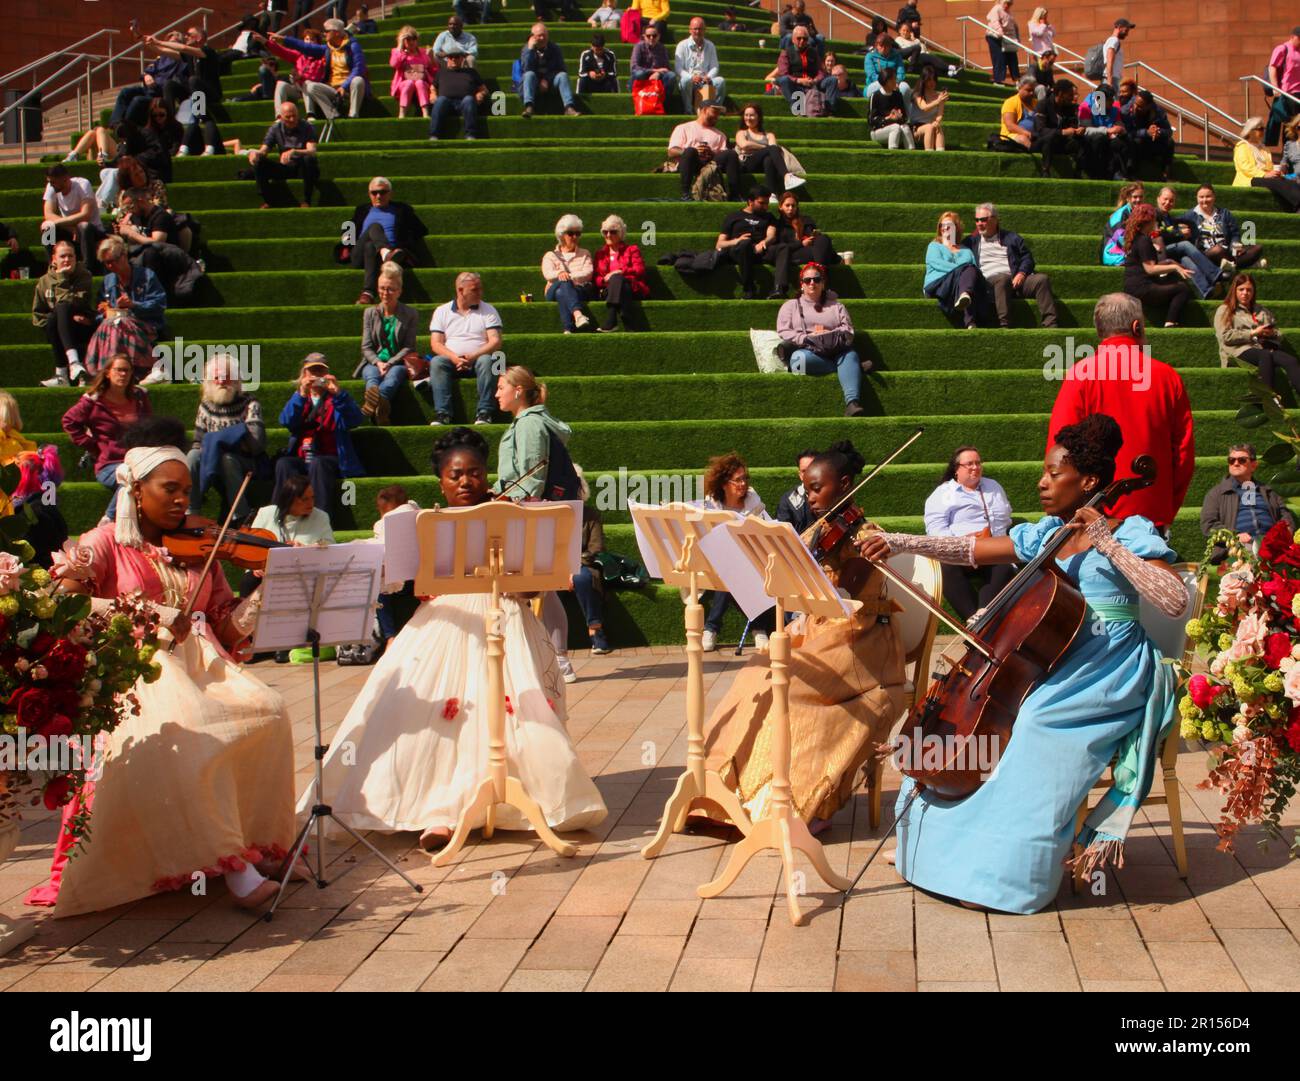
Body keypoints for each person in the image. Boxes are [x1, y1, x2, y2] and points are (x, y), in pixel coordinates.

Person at [857, 412, 1187, 913]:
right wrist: (900, 542)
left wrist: (1107, 542)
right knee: (977, 722)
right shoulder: (1050, 534)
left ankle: (1001, 875)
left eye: (1054, 473)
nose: (1042, 482)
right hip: (1057, 664)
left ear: (1090, 482)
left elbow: (1173, 600)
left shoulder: (1130, 530)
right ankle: (943, 854)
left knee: (1031, 725)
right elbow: (970, 549)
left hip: (1112, 669)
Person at [300, 426, 607, 851]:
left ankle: (507, 801)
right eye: (455, 475)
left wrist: (519, 578)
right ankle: (437, 811)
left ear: (487, 475)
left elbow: (535, 587)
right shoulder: (424, 522)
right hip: (443, 624)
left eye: (475, 474)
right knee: (432, 717)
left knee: (509, 710)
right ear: (441, 482)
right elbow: (393, 577)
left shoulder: (510, 515)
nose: (466, 483)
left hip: (505, 622)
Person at [26, 440, 297, 917]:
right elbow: (64, 605)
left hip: (204, 664)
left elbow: (226, 625)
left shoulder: (200, 548)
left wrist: (263, 589)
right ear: (136, 491)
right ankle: (235, 867)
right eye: (169, 489)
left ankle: (258, 841)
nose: (181, 501)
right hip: (135, 670)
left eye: (187, 491)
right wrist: (151, 613)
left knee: (269, 711)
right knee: (192, 722)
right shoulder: (103, 542)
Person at [704, 440, 906, 830]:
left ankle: (801, 805)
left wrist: (833, 553)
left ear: (845, 485)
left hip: (861, 639)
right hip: (820, 630)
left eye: (817, 489)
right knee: (757, 675)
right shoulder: (821, 528)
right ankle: (732, 796)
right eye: (807, 489)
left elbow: (844, 594)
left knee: (794, 687)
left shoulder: (866, 535)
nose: (809, 497)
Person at [1047, 294, 1195, 532]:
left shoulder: (1080, 374)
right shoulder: (1168, 377)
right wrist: (1166, 509)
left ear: (1099, 330)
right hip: (1151, 514)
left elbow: (1058, 451)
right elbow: (1183, 456)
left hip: (1092, 517)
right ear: (1137, 327)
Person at [923, 445, 1014, 621]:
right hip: (960, 550)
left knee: (1004, 565)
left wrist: (993, 539)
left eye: (978, 463)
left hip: (990, 547)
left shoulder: (993, 486)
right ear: (957, 469)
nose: (975, 467)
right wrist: (963, 542)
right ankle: (973, 620)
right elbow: (935, 529)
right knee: (945, 568)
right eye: (969, 464)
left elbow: (1006, 517)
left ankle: (981, 613)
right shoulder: (943, 494)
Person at [697, 452, 774, 651]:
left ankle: (711, 628)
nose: (743, 484)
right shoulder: (712, 503)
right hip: (718, 558)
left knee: (737, 571)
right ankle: (758, 629)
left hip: (751, 556)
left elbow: (764, 528)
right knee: (729, 571)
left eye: (745, 479)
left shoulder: (753, 499)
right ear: (724, 483)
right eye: (738, 480)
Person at [276, 354, 366, 521]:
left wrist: (338, 393)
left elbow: (356, 419)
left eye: (320, 371)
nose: (316, 376)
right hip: (303, 457)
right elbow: (286, 421)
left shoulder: (337, 399)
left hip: (330, 458)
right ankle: (283, 516)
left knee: (318, 463)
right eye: (312, 371)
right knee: (284, 463)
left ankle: (319, 520)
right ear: (304, 375)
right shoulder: (301, 398)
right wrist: (301, 393)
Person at [776, 262, 866, 417]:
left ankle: (852, 403)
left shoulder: (837, 306)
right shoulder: (790, 306)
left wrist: (827, 334)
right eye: (807, 280)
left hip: (836, 348)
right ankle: (851, 368)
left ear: (823, 283)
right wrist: (806, 337)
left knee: (849, 355)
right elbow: (783, 331)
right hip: (808, 350)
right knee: (797, 362)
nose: (812, 283)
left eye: (817, 279)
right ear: (802, 284)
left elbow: (848, 330)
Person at [61, 354, 152, 508]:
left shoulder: (140, 397)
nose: (123, 374)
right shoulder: (93, 400)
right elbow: (69, 421)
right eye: (119, 370)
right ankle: (108, 518)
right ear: (108, 372)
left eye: (127, 371)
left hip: (137, 461)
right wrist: (92, 445)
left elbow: (151, 426)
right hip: (109, 463)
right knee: (130, 479)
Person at [187, 352, 266, 521]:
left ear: (236, 379)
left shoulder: (250, 403)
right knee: (193, 456)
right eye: (217, 377)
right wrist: (211, 449)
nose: (222, 381)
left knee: (227, 459)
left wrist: (221, 443)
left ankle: (240, 515)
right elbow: (198, 441)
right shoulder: (205, 406)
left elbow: (256, 444)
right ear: (209, 381)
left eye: (226, 376)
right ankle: (192, 510)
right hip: (211, 459)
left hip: (246, 462)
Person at [962, 203, 1058, 328]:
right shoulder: (971, 242)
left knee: (1041, 280)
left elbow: (1027, 258)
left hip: (1015, 281)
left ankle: (1051, 324)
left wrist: (1022, 273)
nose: (979, 223)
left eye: (983, 220)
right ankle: (1005, 325)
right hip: (990, 285)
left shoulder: (1011, 238)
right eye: (977, 220)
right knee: (1003, 278)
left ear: (995, 219)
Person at [85, 235, 167, 380]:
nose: (110, 266)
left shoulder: (147, 276)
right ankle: (110, 372)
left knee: (119, 323)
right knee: (110, 323)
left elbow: (160, 304)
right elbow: (99, 313)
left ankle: (114, 372)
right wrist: (103, 313)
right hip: (115, 327)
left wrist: (134, 305)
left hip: (145, 324)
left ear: (123, 256)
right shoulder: (108, 281)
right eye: (106, 263)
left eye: (112, 261)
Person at [429, 272, 503, 425]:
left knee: (489, 360)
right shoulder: (442, 311)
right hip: (451, 360)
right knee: (437, 362)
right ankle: (442, 413)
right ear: (460, 290)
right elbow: (436, 344)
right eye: (475, 290)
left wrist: (472, 356)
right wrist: (454, 357)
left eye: (480, 289)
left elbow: (495, 341)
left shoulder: (488, 310)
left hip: (479, 359)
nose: (480, 293)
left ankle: (485, 412)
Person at [1201, 443, 1295, 562]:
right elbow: (1208, 525)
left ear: (1254, 465)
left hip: (1271, 543)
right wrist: (1235, 536)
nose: (1236, 463)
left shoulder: (1269, 491)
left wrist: (1281, 536)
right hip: (1239, 547)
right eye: (1231, 460)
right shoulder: (1217, 493)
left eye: (1242, 460)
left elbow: (1285, 517)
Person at [345, 176, 429, 305]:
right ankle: (385, 253)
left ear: (390, 193)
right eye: (374, 193)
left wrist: (404, 247)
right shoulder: (362, 210)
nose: (378, 196)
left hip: (388, 254)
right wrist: (346, 244)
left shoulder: (402, 209)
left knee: (370, 246)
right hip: (359, 256)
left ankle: (368, 293)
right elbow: (347, 227)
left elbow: (420, 230)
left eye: (383, 192)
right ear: (369, 194)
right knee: (374, 227)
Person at [1214, 273, 1300, 396]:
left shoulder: (1262, 311)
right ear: (1234, 290)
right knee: (1265, 355)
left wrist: (1271, 333)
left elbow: (1279, 333)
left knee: (1290, 360)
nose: (1245, 293)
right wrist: (1253, 333)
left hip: (1263, 347)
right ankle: (1266, 399)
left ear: (1253, 292)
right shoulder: (1225, 310)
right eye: (1241, 289)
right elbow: (1225, 336)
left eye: (1249, 290)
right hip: (1238, 350)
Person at [114, 187, 205, 301]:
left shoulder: (160, 216)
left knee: (150, 253)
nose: (130, 210)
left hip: (167, 259)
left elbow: (157, 242)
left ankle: (154, 297)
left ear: (141, 200)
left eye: (131, 206)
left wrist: (131, 233)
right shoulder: (135, 217)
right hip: (145, 258)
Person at [357, 262, 419, 425]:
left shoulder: (410, 314)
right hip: (373, 361)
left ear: (399, 291)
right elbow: (366, 346)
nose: (385, 293)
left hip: (397, 362)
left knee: (393, 377)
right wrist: (378, 363)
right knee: (371, 376)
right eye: (382, 288)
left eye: (390, 289)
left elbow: (409, 347)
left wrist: (389, 363)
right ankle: (380, 407)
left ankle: (377, 402)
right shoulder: (370, 313)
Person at [276, 18, 370, 119]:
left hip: (349, 87)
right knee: (311, 87)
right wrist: (284, 40)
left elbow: (359, 68)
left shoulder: (353, 46)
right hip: (333, 88)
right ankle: (333, 115)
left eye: (326, 31)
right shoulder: (327, 49)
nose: (324, 34)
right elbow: (306, 47)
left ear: (336, 33)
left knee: (358, 80)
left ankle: (353, 115)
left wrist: (344, 86)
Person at [33, 240, 95, 387]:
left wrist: (62, 280)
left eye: (70, 256)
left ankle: (63, 372)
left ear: (75, 258)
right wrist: (52, 325)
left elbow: (76, 302)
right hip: (55, 329)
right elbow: (38, 314)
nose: (67, 260)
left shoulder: (84, 275)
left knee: (61, 308)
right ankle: (71, 366)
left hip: (81, 325)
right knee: (54, 317)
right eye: (62, 256)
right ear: (54, 259)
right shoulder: (44, 281)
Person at [1122, 203, 1194, 328]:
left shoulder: (1135, 238)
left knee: (1171, 277)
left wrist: (1169, 262)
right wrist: (1175, 267)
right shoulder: (1144, 240)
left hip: (1132, 285)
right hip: (1142, 288)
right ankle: (1171, 322)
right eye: (1155, 220)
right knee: (1182, 289)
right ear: (1149, 221)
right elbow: (1150, 269)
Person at [1152, 186, 1226, 300]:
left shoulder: (1169, 218)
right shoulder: (1153, 214)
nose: (1168, 203)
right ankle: (1215, 274)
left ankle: (1206, 290)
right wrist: (1179, 234)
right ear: (1158, 199)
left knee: (1186, 259)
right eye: (1165, 199)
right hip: (1157, 252)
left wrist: (1182, 234)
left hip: (1170, 251)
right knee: (1185, 245)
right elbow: (1157, 235)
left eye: (1171, 201)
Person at [249, 99, 319, 209]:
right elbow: (264, 150)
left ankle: (307, 200)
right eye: (288, 117)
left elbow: (312, 151)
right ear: (281, 117)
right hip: (285, 166)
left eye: (294, 116)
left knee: (308, 159)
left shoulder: (307, 127)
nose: (292, 119)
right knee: (259, 163)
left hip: (303, 167)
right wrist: (255, 153)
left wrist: (294, 151)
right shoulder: (275, 129)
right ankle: (268, 200)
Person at [1181, 182, 1266, 272]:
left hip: (1227, 252)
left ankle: (1231, 265)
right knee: (1217, 250)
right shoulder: (1190, 215)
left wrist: (1234, 245)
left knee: (1258, 248)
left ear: (1214, 197)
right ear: (1197, 198)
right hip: (1206, 254)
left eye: (1208, 196)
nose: (1204, 200)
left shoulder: (1224, 213)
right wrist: (1180, 229)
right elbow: (1175, 224)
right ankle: (1246, 264)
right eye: (1201, 197)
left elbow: (1234, 233)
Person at [924, 211, 988, 329]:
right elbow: (937, 264)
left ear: (957, 228)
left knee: (971, 275)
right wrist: (961, 269)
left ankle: (970, 321)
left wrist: (963, 271)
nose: (945, 227)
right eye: (942, 225)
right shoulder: (934, 246)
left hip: (958, 286)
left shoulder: (966, 251)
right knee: (968, 270)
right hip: (938, 284)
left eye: (949, 225)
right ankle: (970, 319)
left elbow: (973, 274)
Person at [771, 189, 840, 298]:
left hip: (810, 252)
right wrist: (801, 243)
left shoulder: (805, 220)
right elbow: (781, 248)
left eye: (793, 206)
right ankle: (833, 262)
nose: (790, 209)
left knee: (823, 238)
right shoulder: (777, 225)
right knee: (822, 251)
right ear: (780, 207)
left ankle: (822, 278)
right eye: (787, 205)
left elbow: (814, 238)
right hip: (791, 255)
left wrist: (812, 236)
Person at [714, 186, 778, 300]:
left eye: (767, 203)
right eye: (761, 203)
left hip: (758, 251)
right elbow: (719, 244)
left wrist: (763, 243)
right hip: (738, 251)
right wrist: (737, 240)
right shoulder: (733, 217)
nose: (766, 206)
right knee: (745, 243)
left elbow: (771, 236)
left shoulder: (769, 217)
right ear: (750, 202)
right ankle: (749, 288)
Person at [41, 164, 106, 271]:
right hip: (71, 230)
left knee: (83, 226)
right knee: (48, 227)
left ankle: (87, 269)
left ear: (65, 179)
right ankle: (52, 267)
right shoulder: (51, 187)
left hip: (92, 231)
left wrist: (60, 223)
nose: (50, 185)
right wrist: (71, 228)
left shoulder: (83, 184)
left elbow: (85, 214)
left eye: (53, 182)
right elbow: (48, 214)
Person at [250, 470, 336, 545]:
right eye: (304, 499)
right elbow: (251, 544)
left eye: (312, 497)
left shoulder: (321, 517)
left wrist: (306, 548)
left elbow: (330, 545)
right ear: (289, 500)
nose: (311, 503)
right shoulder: (265, 513)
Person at [593, 215, 648, 331]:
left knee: (617, 278)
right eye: (605, 232)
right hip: (608, 290)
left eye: (613, 232)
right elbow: (596, 278)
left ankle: (612, 318)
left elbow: (640, 270)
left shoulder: (632, 249)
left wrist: (620, 272)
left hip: (633, 287)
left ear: (621, 233)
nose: (608, 235)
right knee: (617, 281)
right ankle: (626, 316)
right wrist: (603, 280)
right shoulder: (600, 254)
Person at [1233, 117, 1300, 212]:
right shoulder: (1242, 146)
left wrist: (1277, 173)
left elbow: (1270, 166)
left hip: (1265, 177)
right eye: (1260, 129)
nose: (1263, 131)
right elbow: (1245, 167)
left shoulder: (1264, 148)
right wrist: (1264, 174)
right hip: (1251, 178)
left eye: (1264, 129)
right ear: (1250, 131)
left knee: (1290, 182)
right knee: (1277, 183)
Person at [543, 214, 595, 333]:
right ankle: (577, 314)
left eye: (578, 233)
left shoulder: (585, 253)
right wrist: (560, 273)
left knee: (562, 291)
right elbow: (548, 274)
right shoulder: (550, 255)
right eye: (571, 233)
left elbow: (588, 273)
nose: (575, 237)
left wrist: (567, 276)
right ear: (562, 235)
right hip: (552, 291)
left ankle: (568, 328)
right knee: (563, 282)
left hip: (578, 290)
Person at [263, 28, 329, 115]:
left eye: (312, 39)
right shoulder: (299, 55)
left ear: (318, 43)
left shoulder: (322, 57)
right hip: (298, 89)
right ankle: (279, 116)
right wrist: (265, 42)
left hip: (313, 89)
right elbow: (282, 52)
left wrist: (301, 77)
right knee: (281, 84)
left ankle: (310, 113)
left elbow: (318, 77)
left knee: (307, 83)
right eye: (307, 39)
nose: (309, 42)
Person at [428, 43, 488, 140]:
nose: (454, 59)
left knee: (469, 99)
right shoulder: (441, 72)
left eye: (457, 57)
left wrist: (480, 93)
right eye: (451, 57)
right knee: (440, 100)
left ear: (462, 58)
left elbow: (484, 89)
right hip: (446, 102)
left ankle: (470, 135)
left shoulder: (471, 72)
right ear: (447, 58)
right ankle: (434, 135)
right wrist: (433, 94)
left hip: (464, 102)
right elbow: (433, 87)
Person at [519, 22, 580, 118]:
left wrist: (546, 79)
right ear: (532, 36)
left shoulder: (555, 48)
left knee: (563, 75)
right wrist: (530, 50)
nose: (543, 38)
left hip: (551, 82)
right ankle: (529, 107)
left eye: (545, 35)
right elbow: (526, 69)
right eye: (539, 36)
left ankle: (569, 107)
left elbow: (561, 68)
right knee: (528, 74)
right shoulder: (526, 49)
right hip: (534, 83)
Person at [773, 27, 837, 114]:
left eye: (805, 38)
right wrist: (799, 80)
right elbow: (783, 73)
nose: (802, 41)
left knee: (832, 80)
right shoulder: (786, 53)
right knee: (784, 80)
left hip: (812, 83)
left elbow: (821, 71)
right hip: (795, 84)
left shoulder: (813, 52)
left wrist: (815, 80)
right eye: (799, 38)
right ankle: (797, 108)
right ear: (793, 39)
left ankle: (830, 110)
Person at [1078, 81, 1131, 181]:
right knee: (1099, 139)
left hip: (1110, 137)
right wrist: (1106, 131)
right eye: (1109, 100)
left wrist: (1120, 129)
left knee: (1124, 140)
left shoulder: (1114, 109)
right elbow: (1085, 129)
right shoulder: (1086, 107)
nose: (1112, 102)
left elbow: (1119, 123)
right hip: (1093, 139)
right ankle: (1097, 174)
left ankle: (1122, 172)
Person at [999, 75, 1051, 171]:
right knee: (1023, 139)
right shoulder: (1010, 102)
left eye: (1033, 90)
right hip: (1012, 135)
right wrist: (1027, 133)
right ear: (1020, 88)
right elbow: (1010, 125)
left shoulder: (1036, 103)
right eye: (1028, 90)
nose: (1031, 93)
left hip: (1034, 135)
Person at [1034, 78, 1085, 175]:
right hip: (1042, 142)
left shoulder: (1070, 108)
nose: (1072, 97)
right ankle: (1045, 171)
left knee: (1082, 141)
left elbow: (1072, 126)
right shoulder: (1043, 105)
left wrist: (1078, 130)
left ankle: (1079, 171)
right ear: (1061, 94)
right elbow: (1040, 130)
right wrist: (1063, 132)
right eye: (1070, 95)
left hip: (1061, 142)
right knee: (1048, 138)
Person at [675, 16, 725, 113]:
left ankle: (713, 111)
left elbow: (715, 66)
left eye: (700, 29)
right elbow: (678, 68)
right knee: (685, 80)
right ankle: (688, 110)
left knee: (720, 81)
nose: (698, 31)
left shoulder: (710, 45)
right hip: (690, 80)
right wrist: (691, 77)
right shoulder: (682, 45)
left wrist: (709, 76)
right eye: (695, 29)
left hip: (704, 80)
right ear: (690, 30)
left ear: (704, 30)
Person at [1124, 90, 1174, 181]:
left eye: (1140, 106)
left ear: (1148, 106)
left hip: (1152, 143)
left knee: (1170, 142)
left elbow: (1169, 131)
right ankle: (1132, 174)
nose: (1136, 107)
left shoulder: (1158, 112)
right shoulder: (1127, 111)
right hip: (1135, 143)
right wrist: (1146, 132)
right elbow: (1127, 133)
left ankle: (1166, 174)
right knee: (1135, 141)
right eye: (1135, 104)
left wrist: (1158, 132)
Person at [1264, 27, 1300, 148]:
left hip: (1298, 93)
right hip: (1288, 93)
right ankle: (1288, 155)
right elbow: (1272, 67)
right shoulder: (1283, 49)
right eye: (1299, 39)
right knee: (1290, 126)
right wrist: (1275, 87)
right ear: (1292, 37)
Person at [390, 25, 436, 119]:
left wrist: (431, 58)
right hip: (405, 83)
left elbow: (433, 70)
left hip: (422, 83)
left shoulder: (423, 52)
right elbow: (394, 64)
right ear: (403, 40)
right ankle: (402, 114)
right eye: (407, 39)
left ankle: (425, 113)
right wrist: (400, 48)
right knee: (409, 83)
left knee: (419, 83)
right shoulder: (397, 52)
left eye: (413, 38)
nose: (411, 42)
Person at [775, 447, 820, 534]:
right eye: (804, 471)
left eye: (812, 469)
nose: (808, 475)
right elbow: (782, 534)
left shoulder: (830, 494)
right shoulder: (787, 501)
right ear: (800, 475)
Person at [868, 68, 915, 149]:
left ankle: (912, 152)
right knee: (895, 127)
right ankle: (893, 153)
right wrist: (888, 118)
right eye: (893, 79)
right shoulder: (875, 96)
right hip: (878, 131)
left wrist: (899, 116)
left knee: (906, 128)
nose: (895, 81)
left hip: (896, 128)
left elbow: (903, 117)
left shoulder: (898, 95)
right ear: (886, 81)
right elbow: (871, 120)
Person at [630, 24, 677, 103]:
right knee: (639, 74)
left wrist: (659, 73)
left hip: (657, 77)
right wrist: (653, 71)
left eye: (654, 35)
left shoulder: (662, 48)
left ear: (658, 36)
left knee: (671, 76)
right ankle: (640, 99)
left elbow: (667, 68)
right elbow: (634, 67)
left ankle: (663, 102)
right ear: (644, 36)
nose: (651, 38)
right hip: (643, 75)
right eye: (648, 36)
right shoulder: (639, 47)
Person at [1100, 181, 1143, 266]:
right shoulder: (1120, 215)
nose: (1138, 200)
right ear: (1128, 198)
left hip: (1126, 252)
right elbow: (1121, 239)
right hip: (1114, 255)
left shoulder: (1138, 212)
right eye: (1135, 197)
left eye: (1141, 197)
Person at [863, 32, 910, 104]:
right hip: (876, 83)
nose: (884, 48)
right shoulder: (870, 56)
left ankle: (907, 113)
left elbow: (901, 72)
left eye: (886, 46)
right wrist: (888, 83)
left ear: (890, 46)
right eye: (881, 45)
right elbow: (871, 75)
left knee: (905, 87)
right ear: (876, 45)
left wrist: (896, 82)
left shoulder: (897, 55)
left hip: (895, 83)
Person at [910, 66, 948, 150]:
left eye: (934, 79)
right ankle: (929, 154)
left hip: (931, 124)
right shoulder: (917, 94)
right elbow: (924, 108)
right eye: (929, 80)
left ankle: (941, 153)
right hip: (917, 127)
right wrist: (938, 101)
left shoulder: (939, 96)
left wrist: (937, 122)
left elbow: (940, 114)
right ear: (924, 80)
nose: (932, 82)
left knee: (937, 127)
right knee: (929, 127)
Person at [984, 0, 1021, 86]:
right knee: (999, 57)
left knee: (1012, 58)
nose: (1007, 5)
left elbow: (1014, 26)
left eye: (1010, 4)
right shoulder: (996, 9)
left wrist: (1017, 38)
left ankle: (1017, 79)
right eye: (1006, 3)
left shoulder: (1009, 13)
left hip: (1007, 38)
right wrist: (999, 31)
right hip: (994, 36)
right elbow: (994, 21)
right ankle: (998, 80)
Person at [1101, 18, 1135, 96]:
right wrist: (1110, 82)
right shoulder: (1114, 40)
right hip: (1111, 79)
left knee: (1106, 104)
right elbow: (1109, 61)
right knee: (1112, 104)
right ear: (1119, 27)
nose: (1127, 34)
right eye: (1126, 30)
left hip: (1110, 78)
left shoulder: (1112, 40)